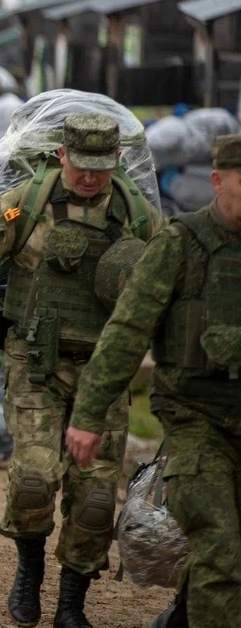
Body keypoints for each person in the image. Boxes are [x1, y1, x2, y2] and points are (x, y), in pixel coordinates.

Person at [0, 113, 163, 628]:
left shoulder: (138, 215)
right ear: (61, 156)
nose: (90, 177)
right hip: (33, 361)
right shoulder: (22, 206)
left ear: (117, 162)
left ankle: (71, 604)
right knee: (34, 479)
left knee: (97, 496)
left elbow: (166, 292)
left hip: (104, 373)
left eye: (102, 167)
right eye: (81, 165)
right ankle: (29, 568)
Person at [66, 134, 241, 628]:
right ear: (217, 181)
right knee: (221, 546)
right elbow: (128, 329)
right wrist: (89, 414)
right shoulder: (180, 244)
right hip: (196, 422)